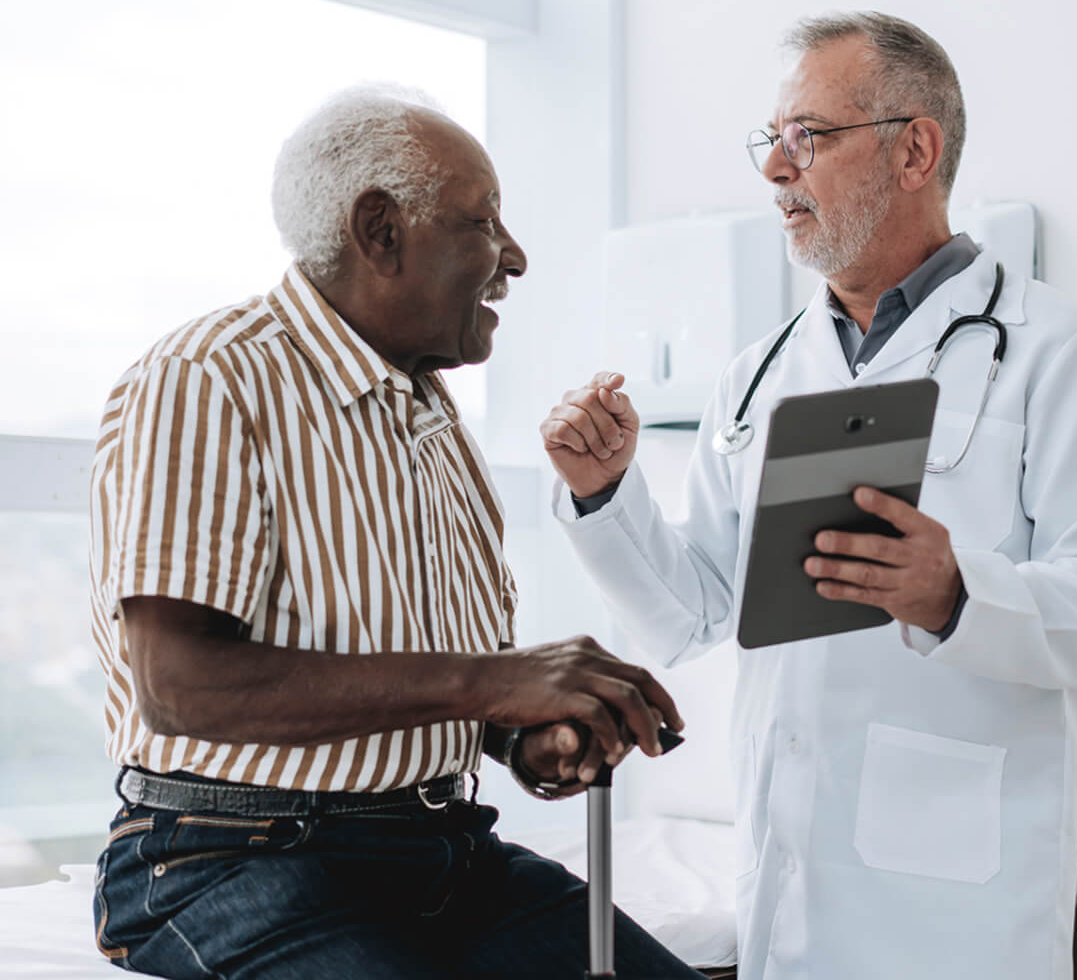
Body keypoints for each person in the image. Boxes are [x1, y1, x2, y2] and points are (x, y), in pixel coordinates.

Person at [542, 12, 1077, 979]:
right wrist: (603, 494)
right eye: (773, 140)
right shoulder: (758, 373)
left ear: (916, 149)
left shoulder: (1058, 351)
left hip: (961, 891)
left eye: (810, 137)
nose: (775, 170)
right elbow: (695, 611)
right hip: (787, 869)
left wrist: (959, 592)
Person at [87, 84, 702, 980]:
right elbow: (181, 687)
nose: (515, 256)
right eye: (484, 220)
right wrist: (501, 680)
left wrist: (522, 734)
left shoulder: (429, 414)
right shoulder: (209, 378)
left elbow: (435, 683)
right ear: (379, 230)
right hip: (230, 860)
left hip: (442, 853)